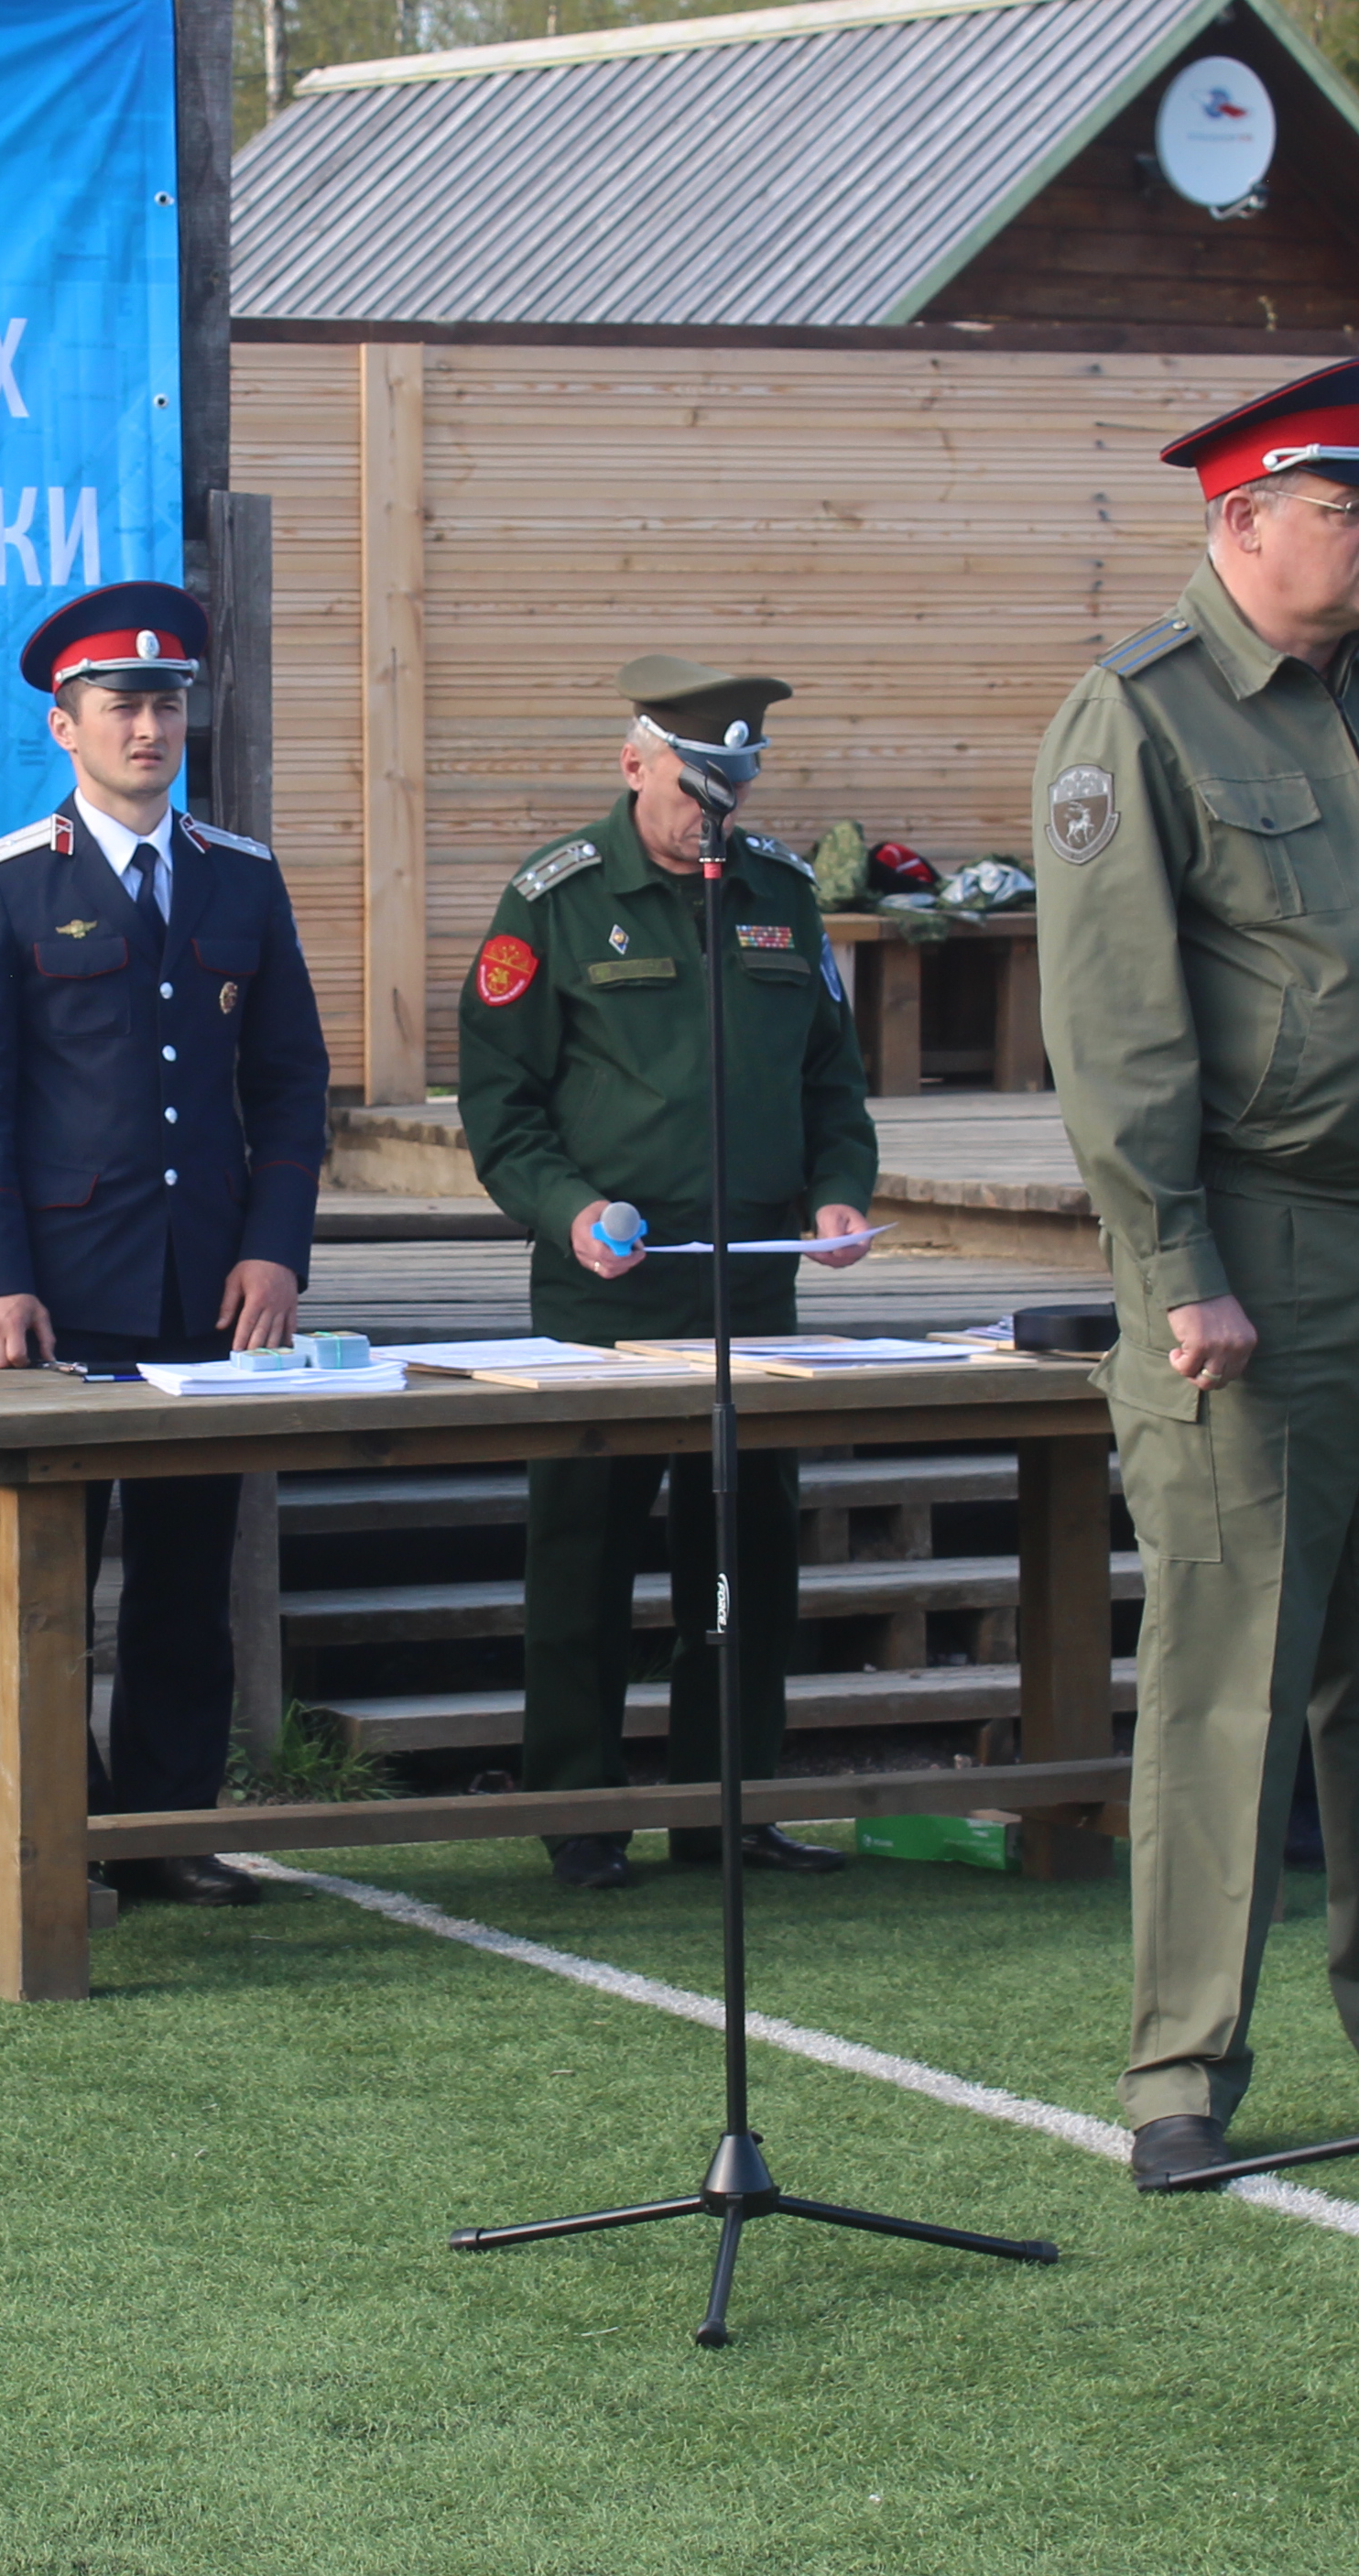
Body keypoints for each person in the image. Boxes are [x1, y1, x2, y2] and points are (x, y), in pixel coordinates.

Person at [1027, 358, 1359, 2193]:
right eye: (1351, 506)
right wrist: (1175, 1263)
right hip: (1258, 1261)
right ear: (1242, 524)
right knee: (1231, 1682)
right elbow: (1114, 1032)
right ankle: (1183, 2074)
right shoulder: (1144, 717)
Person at [0, 580, 332, 1906]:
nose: (148, 727)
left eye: (166, 703)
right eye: (121, 706)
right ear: (67, 727)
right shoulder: (0, 886)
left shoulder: (242, 879)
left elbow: (286, 1085)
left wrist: (275, 1250)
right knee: (54, 1583)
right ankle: (62, 1837)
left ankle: (168, 1833)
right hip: (66, 1294)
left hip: (207, 1294)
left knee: (183, 1582)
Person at [452, 656, 884, 1891]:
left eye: (734, 790)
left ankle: (725, 1805)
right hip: (606, 1295)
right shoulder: (556, 902)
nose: (716, 814)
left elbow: (829, 1085)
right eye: (697, 787)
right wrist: (570, 1208)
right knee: (583, 1562)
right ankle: (580, 1813)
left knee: (743, 1561)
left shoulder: (781, 894)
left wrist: (839, 1192)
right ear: (635, 763)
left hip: (751, 1286)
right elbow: (501, 1106)